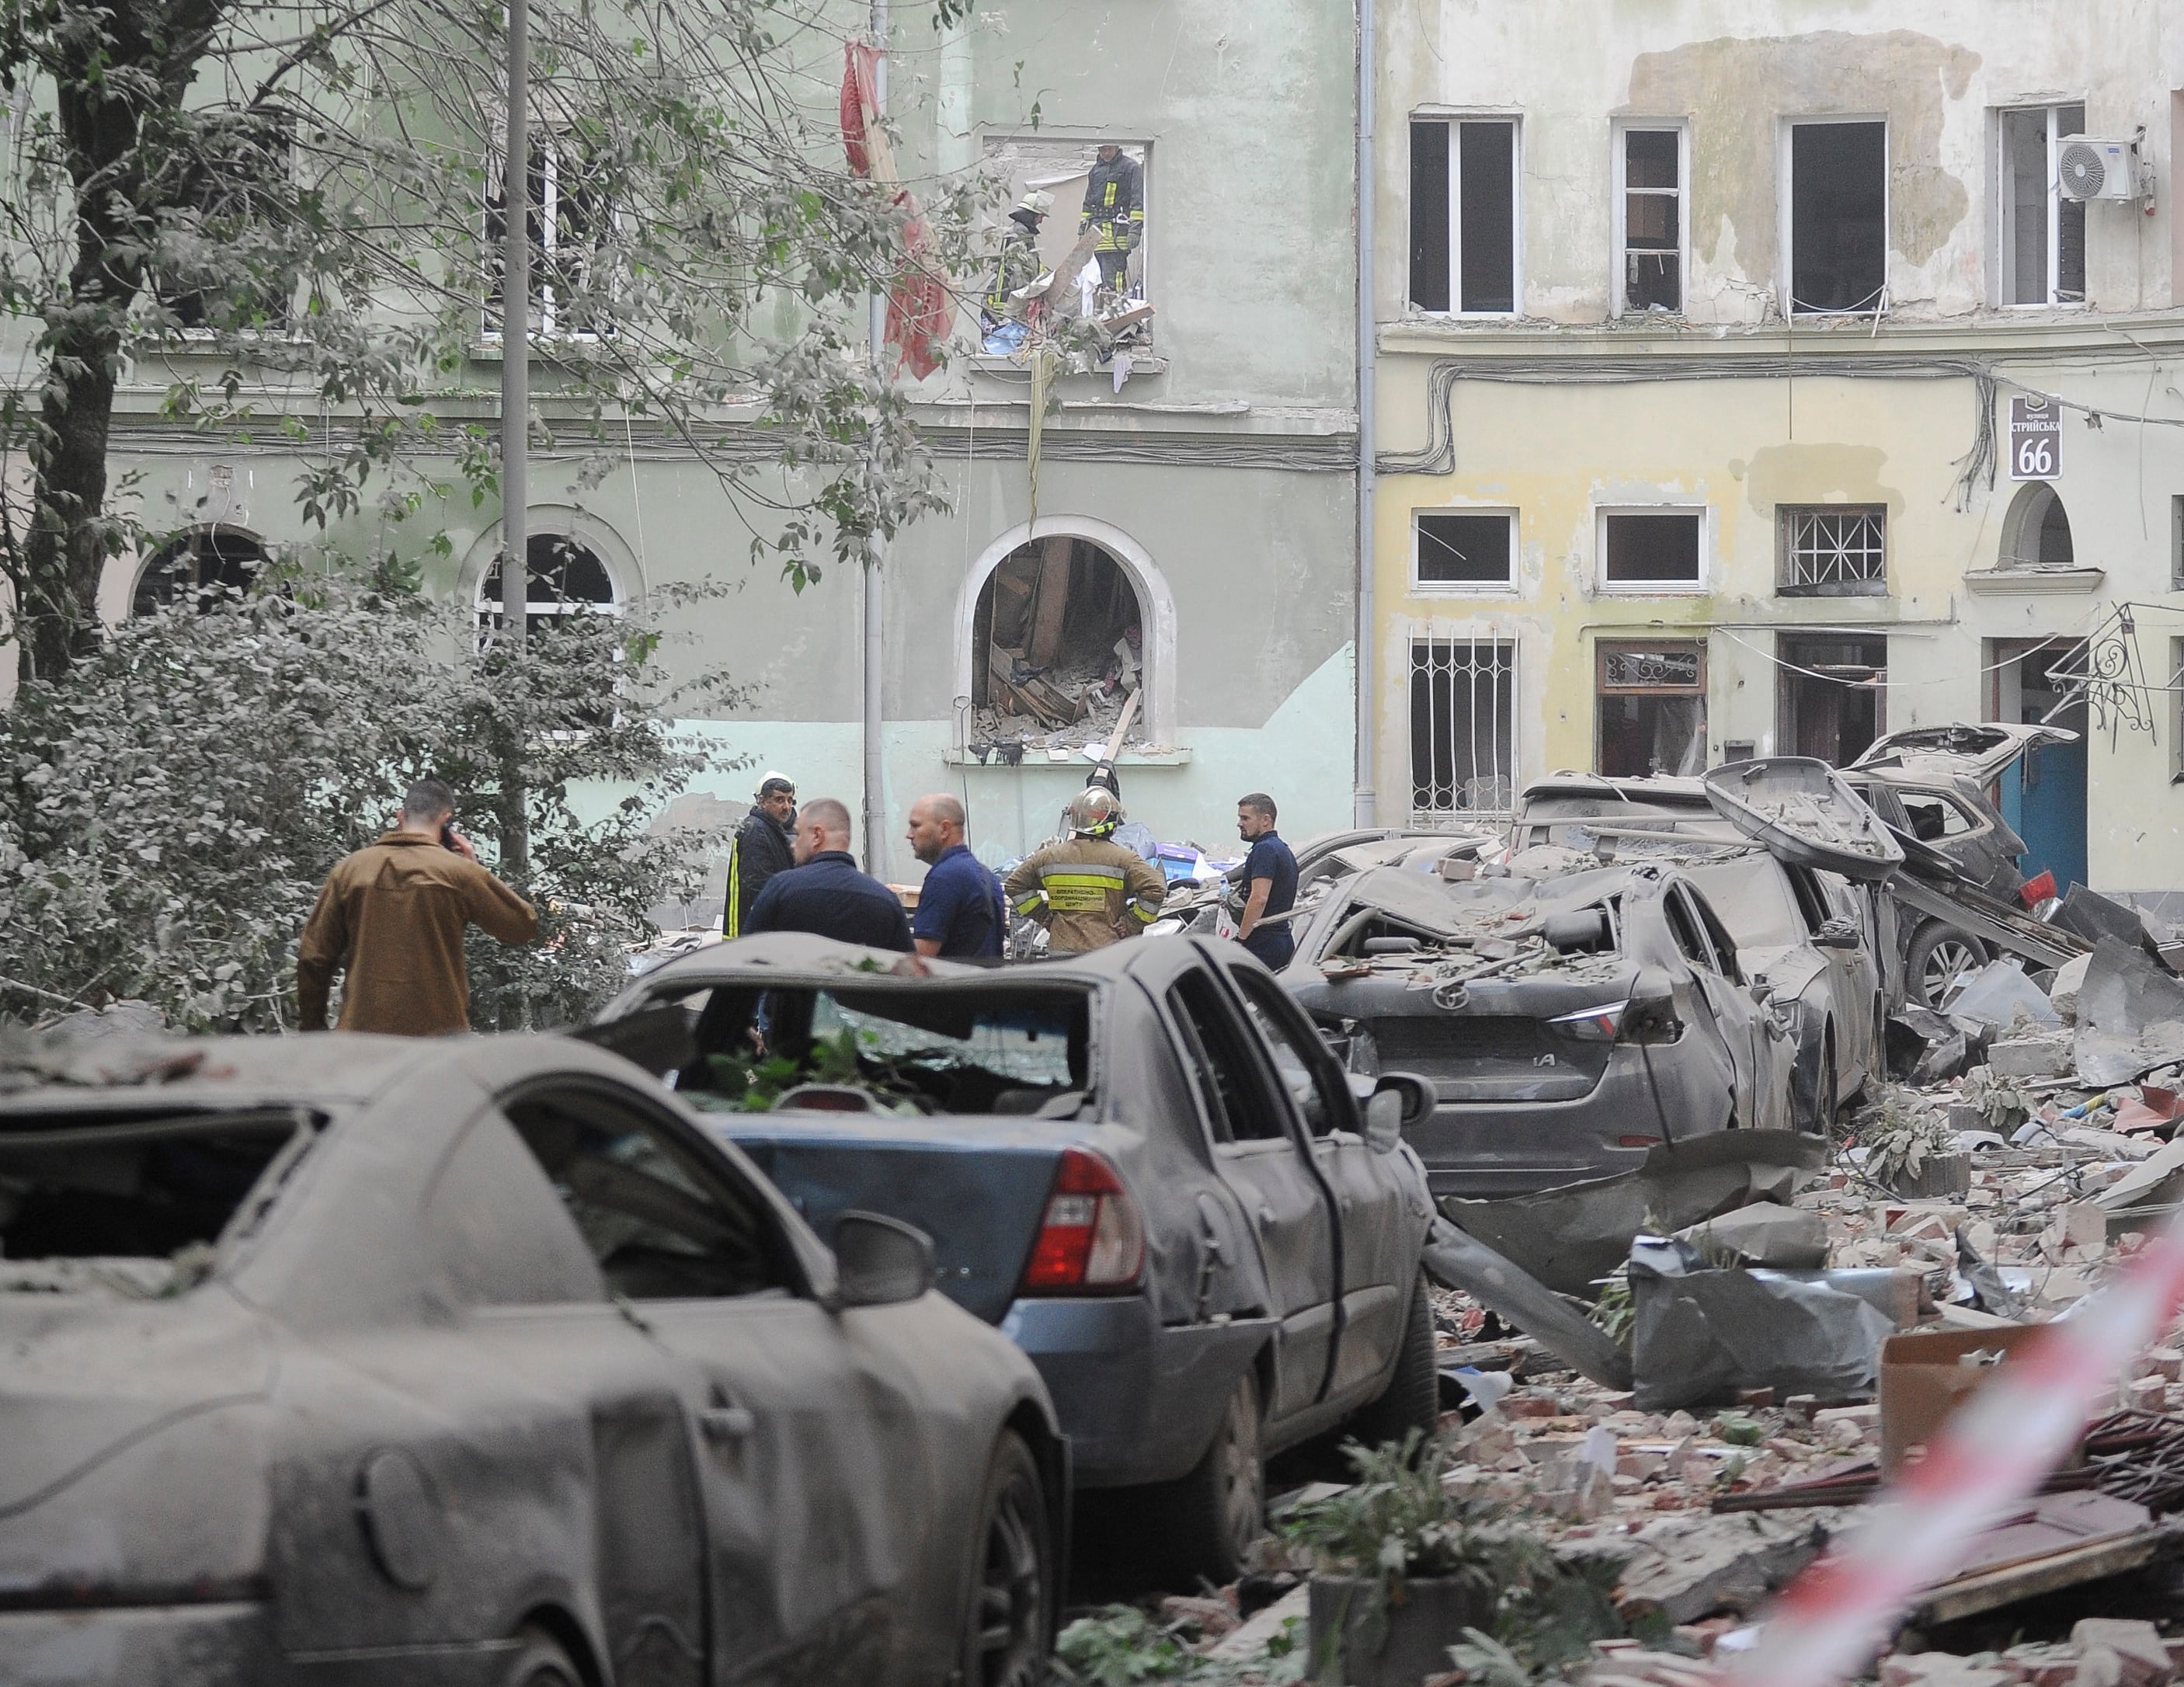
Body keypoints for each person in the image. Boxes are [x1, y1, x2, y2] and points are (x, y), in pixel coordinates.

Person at [297, 777, 537, 1035]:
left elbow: (314, 957)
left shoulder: (351, 870)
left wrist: (314, 1029)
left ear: (400, 816)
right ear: (446, 821)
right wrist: (475, 868)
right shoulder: (459, 874)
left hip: (361, 1038)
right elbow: (522, 926)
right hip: (437, 1040)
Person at [1005, 787, 1167, 955]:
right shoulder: (1124, 860)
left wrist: (1042, 915)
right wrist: (1131, 923)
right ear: (1111, 822)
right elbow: (1157, 888)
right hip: (1105, 953)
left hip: (1061, 952)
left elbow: (1014, 884)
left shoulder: (1048, 857)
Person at [742, 796, 913, 951]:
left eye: (798, 834)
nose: (793, 845)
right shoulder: (885, 900)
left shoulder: (781, 888)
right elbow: (909, 974)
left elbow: (746, 958)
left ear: (817, 836)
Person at [906, 793, 1006, 959]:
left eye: (916, 826)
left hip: (954, 984)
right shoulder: (987, 876)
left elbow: (920, 962)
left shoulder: (945, 878)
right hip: (986, 983)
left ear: (944, 829)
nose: (909, 834)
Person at [723, 773, 796, 937]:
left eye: (789, 800)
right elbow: (757, 889)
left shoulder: (771, 829)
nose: (786, 807)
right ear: (762, 801)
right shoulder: (756, 831)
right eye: (779, 800)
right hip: (752, 933)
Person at [1234, 792, 1299, 972]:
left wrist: (1240, 940)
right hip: (1279, 941)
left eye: (1245, 818)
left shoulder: (1266, 850)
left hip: (1263, 945)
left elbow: (1259, 898)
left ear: (1265, 820)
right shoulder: (1281, 848)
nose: (1239, 823)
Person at [982, 190, 1052, 354]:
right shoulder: (1020, 234)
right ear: (1032, 214)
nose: (1041, 220)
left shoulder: (1020, 231)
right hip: (1006, 298)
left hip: (1003, 294)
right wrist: (1026, 297)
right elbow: (1018, 271)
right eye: (1041, 216)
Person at [1080, 144, 1143, 297]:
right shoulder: (1095, 170)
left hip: (1117, 234)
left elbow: (1138, 201)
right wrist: (1082, 229)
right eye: (1102, 150)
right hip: (1096, 234)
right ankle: (1100, 316)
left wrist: (1135, 230)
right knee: (1095, 281)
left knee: (1114, 282)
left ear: (1116, 147)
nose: (1106, 153)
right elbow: (1088, 203)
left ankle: (1116, 316)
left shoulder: (1131, 168)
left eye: (1109, 149)